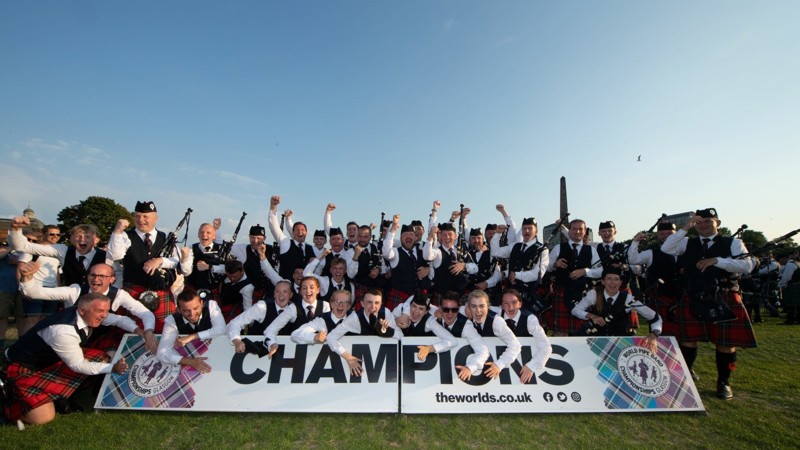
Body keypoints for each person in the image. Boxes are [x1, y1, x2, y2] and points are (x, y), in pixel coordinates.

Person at [661, 208, 758, 400]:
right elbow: (666, 248)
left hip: (724, 296)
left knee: (726, 344)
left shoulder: (733, 242)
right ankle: (684, 376)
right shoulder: (687, 242)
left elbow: (747, 265)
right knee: (687, 340)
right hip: (693, 295)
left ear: (718, 223)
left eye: (707, 221)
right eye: (699, 222)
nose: (703, 225)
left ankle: (724, 381)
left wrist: (718, 261)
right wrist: (686, 227)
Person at [3, 293, 133, 425]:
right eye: (100, 311)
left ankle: (59, 397)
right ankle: (8, 400)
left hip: (50, 362)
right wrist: (113, 368)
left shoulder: (86, 313)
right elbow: (78, 365)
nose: (104, 315)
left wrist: (144, 332)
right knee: (43, 418)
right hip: (23, 368)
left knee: (99, 357)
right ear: (82, 310)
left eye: (107, 310)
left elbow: (119, 320)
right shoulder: (63, 330)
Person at [18, 262, 158, 354]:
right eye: (93, 275)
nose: (96, 279)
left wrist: (148, 332)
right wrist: (26, 278)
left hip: (99, 338)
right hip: (69, 336)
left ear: (112, 279)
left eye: (102, 276)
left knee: (111, 355)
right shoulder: (75, 291)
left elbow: (145, 313)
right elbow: (34, 292)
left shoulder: (119, 295)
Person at [106, 201, 181, 333]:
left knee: (165, 331)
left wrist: (160, 260)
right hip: (133, 292)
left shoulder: (166, 238)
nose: (141, 220)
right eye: (137, 216)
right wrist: (117, 231)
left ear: (155, 218)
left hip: (160, 291)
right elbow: (115, 255)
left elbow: (177, 261)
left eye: (145, 216)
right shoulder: (124, 236)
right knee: (133, 332)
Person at [571, 268, 662, 353]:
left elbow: (656, 317)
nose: (613, 283)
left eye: (616, 279)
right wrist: (591, 315)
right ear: (603, 281)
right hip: (594, 341)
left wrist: (654, 334)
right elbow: (575, 310)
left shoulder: (628, 299)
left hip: (619, 343)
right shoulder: (594, 294)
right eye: (609, 279)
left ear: (620, 282)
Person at [8, 218, 106, 286]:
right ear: (71, 239)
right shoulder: (63, 250)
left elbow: (117, 277)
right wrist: (15, 228)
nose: (82, 239)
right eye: (77, 236)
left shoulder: (106, 256)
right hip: (70, 303)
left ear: (96, 240)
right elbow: (23, 246)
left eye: (87, 236)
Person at [326, 288, 402, 376]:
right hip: (363, 359)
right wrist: (348, 357)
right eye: (369, 302)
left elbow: (401, 336)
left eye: (377, 303)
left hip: (383, 357)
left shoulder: (386, 313)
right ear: (362, 303)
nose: (373, 307)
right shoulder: (355, 318)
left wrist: (389, 332)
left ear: (381, 304)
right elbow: (330, 337)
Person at [628, 221, 684, 338]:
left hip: (685, 297)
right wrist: (635, 241)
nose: (666, 236)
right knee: (661, 336)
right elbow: (633, 259)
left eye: (670, 233)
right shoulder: (651, 253)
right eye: (662, 234)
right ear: (657, 235)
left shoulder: (687, 250)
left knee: (687, 340)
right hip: (661, 297)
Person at [547, 219, 602, 336]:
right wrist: (555, 264)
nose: (577, 231)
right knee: (559, 332)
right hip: (562, 291)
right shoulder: (558, 248)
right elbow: (546, 267)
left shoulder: (591, 250)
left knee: (583, 331)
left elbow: (600, 271)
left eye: (580, 229)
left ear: (584, 231)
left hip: (583, 294)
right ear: (569, 230)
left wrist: (585, 271)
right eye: (574, 229)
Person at [156, 288, 226, 373]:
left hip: (220, 355)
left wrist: (192, 336)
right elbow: (162, 353)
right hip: (190, 365)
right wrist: (190, 362)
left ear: (201, 303)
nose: (192, 314)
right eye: (186, 310)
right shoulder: (172, 320)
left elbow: (221, 329)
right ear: (179, 309)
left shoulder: (211, 305)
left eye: (196, 308)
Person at [490, 205, 548, 308]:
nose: (527, 231)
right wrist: (497, 234)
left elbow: (538, 274)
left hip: (528, 296)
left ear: (536, 231)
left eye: (530, 228)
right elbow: (495, 252)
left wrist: (516, 275)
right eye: (524, 228)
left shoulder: (542, 249)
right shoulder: (515, 246)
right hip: (510, 293)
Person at [499, 289, 553, 383]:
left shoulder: (530, 319)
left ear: (520, 304)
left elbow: (546, 347)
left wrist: (531, 366)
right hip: (503, 358)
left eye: (514, 302)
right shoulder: (496, 315)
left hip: (525, 360)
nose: (510, 306)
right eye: (506, 303)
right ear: (502, 306)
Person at [466, 290, 521, 379]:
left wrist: (499, 364)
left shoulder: (497, 321)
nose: (478, 311)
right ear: (468, 307)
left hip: (493, 365)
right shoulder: (460, 312)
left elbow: (515, 345)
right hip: (474, 358)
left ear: (488, 306)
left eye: (482, 306)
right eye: (473, 306)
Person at [227, 280, 295, 353]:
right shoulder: (262, 307)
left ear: (291, 295)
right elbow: (235, 323)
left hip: (286, 352)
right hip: (258, 352)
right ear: (274, 294)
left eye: (285, 291)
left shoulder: (295, 309)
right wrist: (237, 341)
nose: (281, 295)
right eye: (277, 291)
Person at [435, 292, 490, 381]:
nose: (450, 314)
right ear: (440, 309)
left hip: (454, 375)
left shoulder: (466, 326)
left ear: (459, 309)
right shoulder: (432, 317)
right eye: (446, 309)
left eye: (454, 310)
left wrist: (470, 368)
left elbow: (483, 351)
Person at [382, 215, 431, 308]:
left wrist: (428, 270)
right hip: (400, 300)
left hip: (420, 299)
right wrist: (393, 230)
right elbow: (386, 252)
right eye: (405, 235)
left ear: (416, 238)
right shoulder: (396, 253)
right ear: (400, 238)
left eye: (411, 234)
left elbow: (435, 265)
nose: (408, 237)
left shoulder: (423, 252)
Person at [392, 293, 457, 362]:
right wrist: (396, 322)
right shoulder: (400, 310)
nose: (416, 311)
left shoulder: (429, 321)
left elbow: (452, 341)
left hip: (419, 357)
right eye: (414, 306)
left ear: (426, 311)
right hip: (397, 353)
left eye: (421, 309)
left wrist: (430, 348)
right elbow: (387, 322)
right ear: (409, 306)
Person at [268, 195, 314, 280]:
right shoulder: (286, 243)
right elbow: (274, 227)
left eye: (303, 230)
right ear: (293, 232)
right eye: (297, 230)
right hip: (286, 288)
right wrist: (273, 206)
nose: (300, 232)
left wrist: (288, 218)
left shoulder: (310, 249)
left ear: (306, 232)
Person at [186, 220, 224, 295]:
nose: (204, 235)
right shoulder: (190, 249)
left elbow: (227, 269)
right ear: (198, 235)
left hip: (214, 289)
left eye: (208, 233)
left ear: (214, 236)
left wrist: (209, 267)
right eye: (201, 232)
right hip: (194, 289)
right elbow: (186, 269)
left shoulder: (221, 249)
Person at [778, 254, 800, 324]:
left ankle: (790, 319)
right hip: (797, 285)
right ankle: (798, 319)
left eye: (780, 260)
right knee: (797, 304)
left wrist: (781, 285)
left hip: (792, 286)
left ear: (784, 258)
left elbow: (787, 276)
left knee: (789, 303)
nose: (780, 262)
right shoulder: (797, 263)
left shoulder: (790, 265)